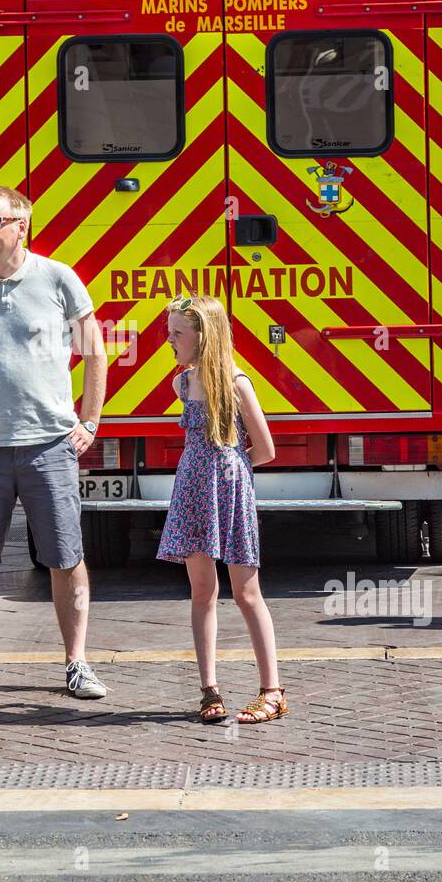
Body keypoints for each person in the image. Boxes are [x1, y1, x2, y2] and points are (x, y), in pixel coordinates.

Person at [0, 185, 109, 702]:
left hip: (48, 444)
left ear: (22, 225)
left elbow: (96, 353)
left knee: (64, 555)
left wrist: (89, 423)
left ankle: (77, 662)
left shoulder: (58, 279)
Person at [159, 295, 284, 725]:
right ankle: (209, 689)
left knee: (247, 593)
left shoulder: (236, 382)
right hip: (193, 491)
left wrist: (231, 466)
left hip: (228, 493)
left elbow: (266, 448)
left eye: (177, 332)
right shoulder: (182, 382)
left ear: (203, 335)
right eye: (169, 331)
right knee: (201, 592)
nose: (169, 340)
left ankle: (272, 690)